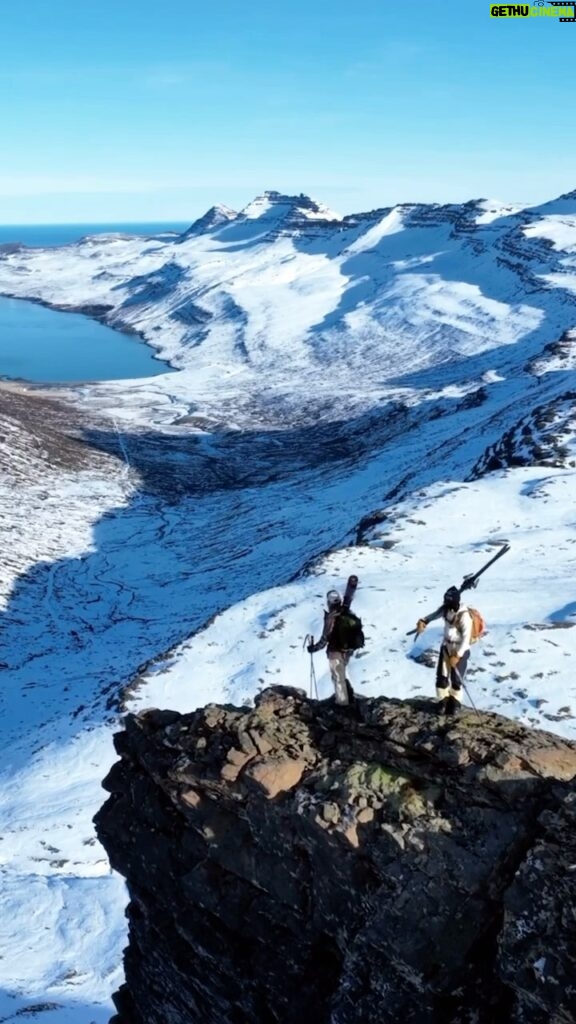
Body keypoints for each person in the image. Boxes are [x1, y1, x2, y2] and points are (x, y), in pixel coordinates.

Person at [415, 585, 473, 714]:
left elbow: (466, 639)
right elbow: (433, 616)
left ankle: (455, 702)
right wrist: (423, 621)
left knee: (456, 679)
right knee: (442, 676)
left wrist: (457, 655)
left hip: (459, 649)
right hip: (446, 647)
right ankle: (443, 700)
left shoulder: (464, 616)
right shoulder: (446, 610)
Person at [307, 589, 356, 706]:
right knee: (341, 674)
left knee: (338, 678)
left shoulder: (331, 617)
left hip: (335, 652)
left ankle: (343, 704)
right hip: (348, 651)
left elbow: (325, 639)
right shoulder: (348, 613)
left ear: (329, 603)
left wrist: (313, 648)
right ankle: (349, 699)